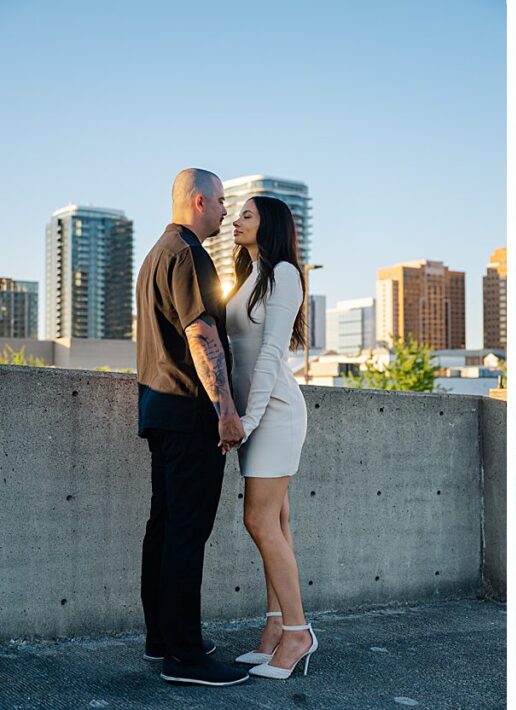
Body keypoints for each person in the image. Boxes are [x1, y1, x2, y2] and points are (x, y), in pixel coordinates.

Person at [135, 168, 249, 686]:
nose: (227, 212)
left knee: (164, 529)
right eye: (223, 202)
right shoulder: (188, 255)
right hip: (189, 415)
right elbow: (203, 337)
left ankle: (163, 639)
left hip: (160, 413)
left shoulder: (156, 254)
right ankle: (185, 658)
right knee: (185, 533)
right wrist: (226, 410)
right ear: (199, 200)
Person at [224, 195, 317, 680]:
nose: (235, 220)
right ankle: (275, 628)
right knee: (275, 522)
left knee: (259, 521)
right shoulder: (251, 276)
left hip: (273, 412)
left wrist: (249, 419)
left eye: (246, 214)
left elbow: (267, 356)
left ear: (270, 224)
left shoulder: (284, 274)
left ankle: (299, 632)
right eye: (235, 213)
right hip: (254, 412)